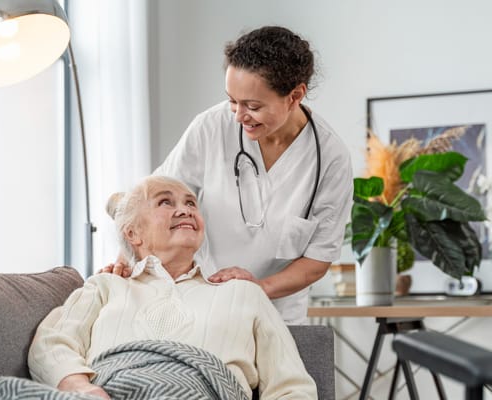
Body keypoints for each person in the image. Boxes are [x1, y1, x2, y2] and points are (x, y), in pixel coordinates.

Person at [104, 26, 353, 324]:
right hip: (197, 304)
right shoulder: (211, 127)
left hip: (275, 315)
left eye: (253, 106)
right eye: (233, 100)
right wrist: (126, 259)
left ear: (295, 95)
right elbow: (152, 201)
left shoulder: (330, 159)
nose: (237, 116)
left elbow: (316, 261)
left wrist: (256, 288)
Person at [28, 176, 318, 399]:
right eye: (165, 202)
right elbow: (51, 343)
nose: (185, 210)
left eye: (191, 203)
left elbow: (291, 385)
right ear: (133, 233)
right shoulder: (105, 286)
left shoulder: (242, 292)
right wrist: (81, 388)